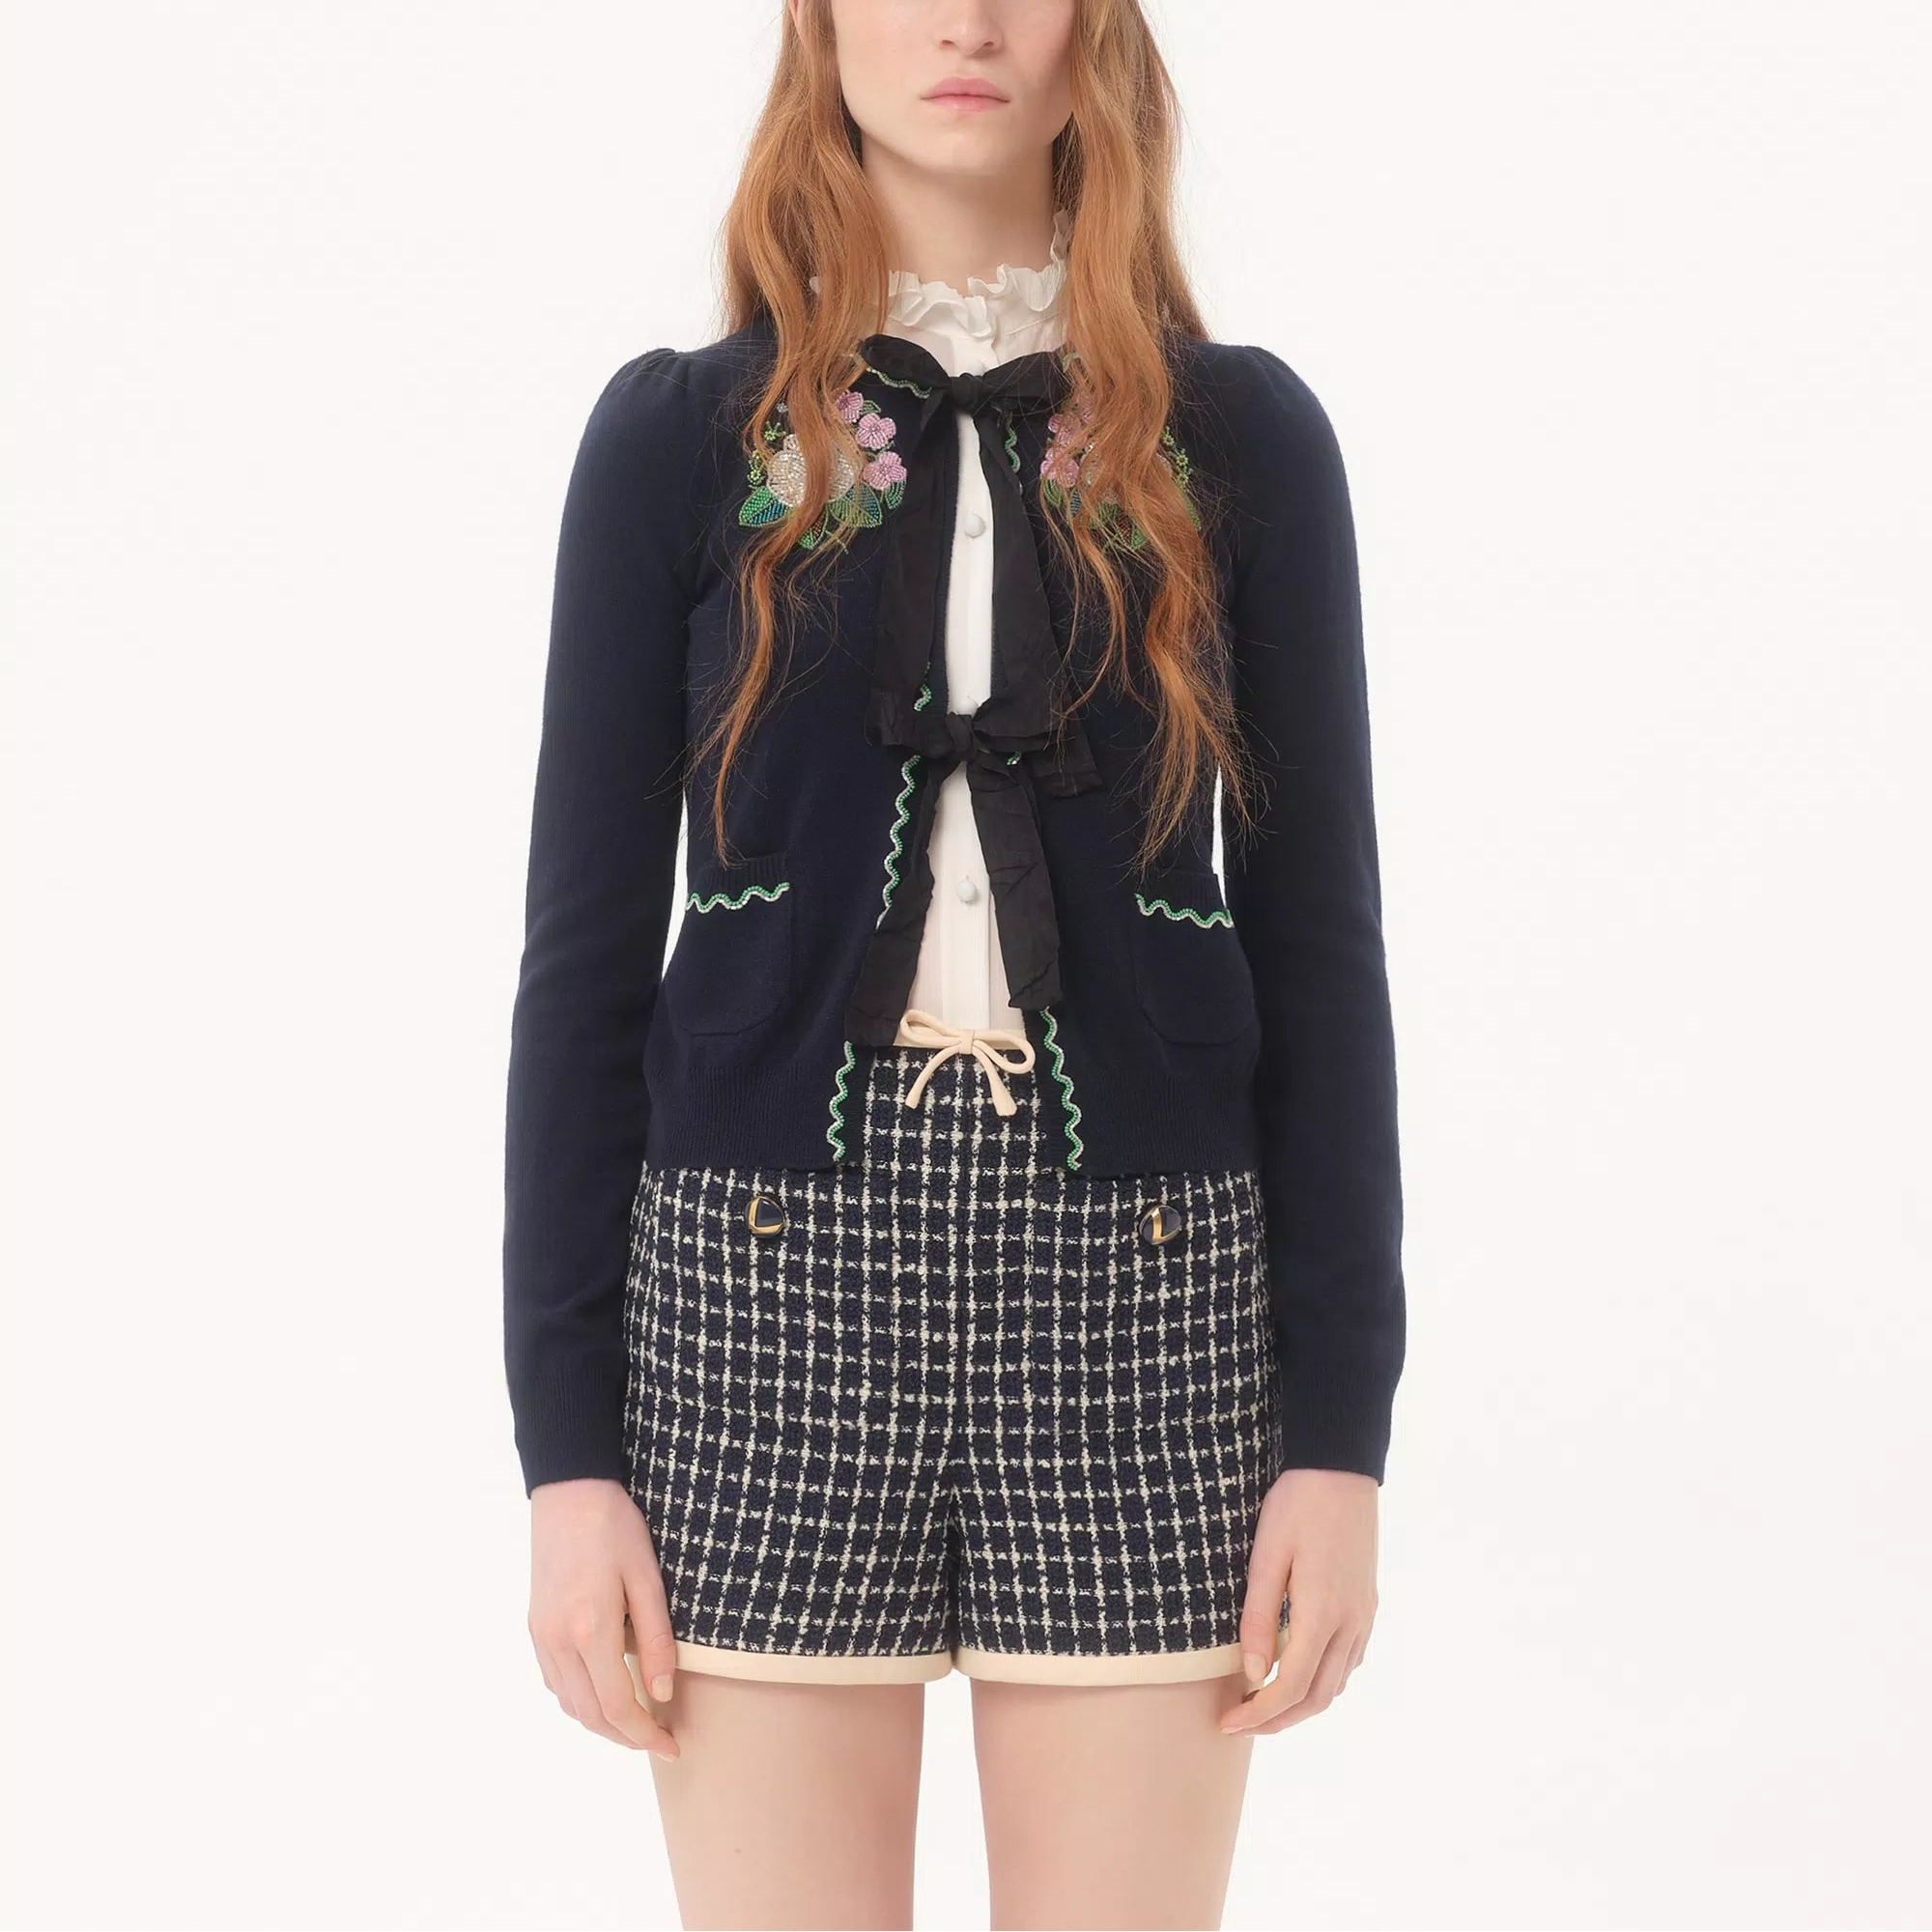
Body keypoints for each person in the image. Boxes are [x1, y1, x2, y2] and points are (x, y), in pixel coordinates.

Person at [501, 3, 1404, 1925]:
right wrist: (566, 1458)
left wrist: (1341, 1435)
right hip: (757, 1290)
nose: (967, 22)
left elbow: (1322, 951)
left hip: (1148, 1291)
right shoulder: (683, 440)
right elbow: (581, 970)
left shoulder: (1238, 438)